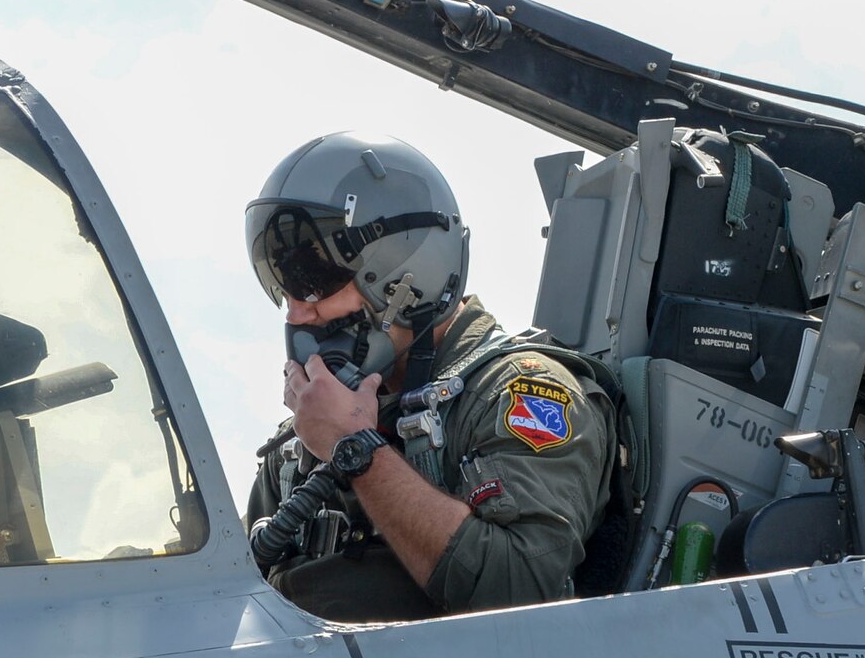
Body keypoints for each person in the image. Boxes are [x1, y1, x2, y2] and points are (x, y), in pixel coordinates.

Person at [242, 132, 617, 622]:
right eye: (282, 283)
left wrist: (357, 451)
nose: (296, 315)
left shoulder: (520, 395)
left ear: (408, 275)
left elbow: (519, 590)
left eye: (311, 280)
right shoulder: (304, 441)